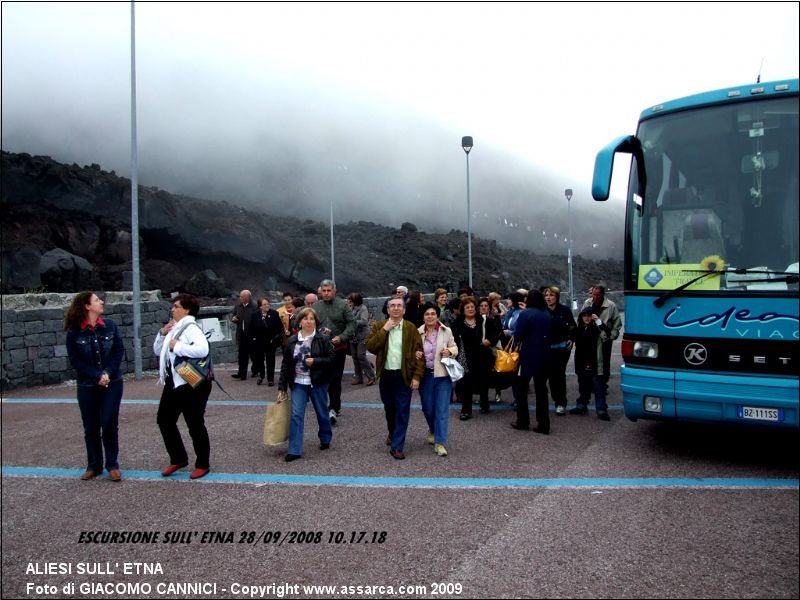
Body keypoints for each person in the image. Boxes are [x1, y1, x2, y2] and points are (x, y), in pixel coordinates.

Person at [64, 291, 125, 481]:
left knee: (108, 423)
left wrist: (107, 373)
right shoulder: (74, 332)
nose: (101, 302)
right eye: (97, 300)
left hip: (112, 383)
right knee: (90, 426)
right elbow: (76, 361)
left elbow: (118, 351)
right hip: (87, 385)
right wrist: (97, 375)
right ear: (87, 306)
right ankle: (94, 464)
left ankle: (112, 464)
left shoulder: (110, 326)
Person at [154, 293, 213, 479]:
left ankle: (203, 464)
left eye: (176, 306)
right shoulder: (175, 327)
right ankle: (178, 458)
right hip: (175, 380)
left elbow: (203, 349)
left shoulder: (190, 326)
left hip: (192, 382)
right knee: (164, 419)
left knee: (194, 423)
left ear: (186, 310)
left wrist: (177, 345)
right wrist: (162, 334)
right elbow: (159, 351)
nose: (172, 309)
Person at [366, 296, 424, 459]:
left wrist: (417, 377)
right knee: (390, 409)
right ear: (388, 309)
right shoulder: (379, 326)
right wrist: (385, 329)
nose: (396, 308)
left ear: (404, 310)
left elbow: (420, 354)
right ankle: (392, 432)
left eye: (399, 305)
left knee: (402, 411)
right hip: (385, 375)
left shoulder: (411, 328)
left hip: (403, 375)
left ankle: (397, 446)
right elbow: (371, 346)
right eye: (393, 306)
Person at [278, 307, 336, 461]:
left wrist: (316, 361)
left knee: (322, 413)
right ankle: (294, 450)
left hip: (318, 383)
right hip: (298, 383)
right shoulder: (292, 341)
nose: (308, 322)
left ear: (316, 322)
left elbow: (332, 359)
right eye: (305, 318)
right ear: (300, 322)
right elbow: (285, 365)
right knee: (296, 415)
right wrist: (282, 386)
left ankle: (325, 437)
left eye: (311, 319)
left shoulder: (322, 339)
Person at [416, 302, 458, 457]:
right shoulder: (417, 332)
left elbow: (455, 347)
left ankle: (440, 442)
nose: (430, 316)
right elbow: (412, 349)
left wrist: (449, 351)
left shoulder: (446, 331)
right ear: (423, 317)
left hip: (443, 376)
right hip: (425, 376)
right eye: (427, 314)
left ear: (437, 316)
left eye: (433, 314)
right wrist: (415, 353)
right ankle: (433, 430)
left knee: (441, 410)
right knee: (428, 408)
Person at [510, 290, 553, 434]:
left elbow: (518, 334)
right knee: (541, 390)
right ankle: (543, 424)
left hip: (527, 355)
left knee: (520, 388)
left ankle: (523, 420)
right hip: (545, 354)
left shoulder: (526, 314)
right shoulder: (547, 314)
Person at [313, 280, 355, 425]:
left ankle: (334, 408)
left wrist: (342, 337)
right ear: (320, 291)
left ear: (334, 291)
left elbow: (352, 324)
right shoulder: (316, 306)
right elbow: (311, 323)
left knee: (335, 379)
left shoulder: (343, 305)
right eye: (323, 290)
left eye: (328, 290)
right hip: (321, 349)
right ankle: (322, 406)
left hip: (338, 348)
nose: (326, 293)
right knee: (320, 378)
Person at [450, 296, 488, 420]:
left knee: (483, 380)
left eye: (472, 307)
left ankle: (485, 404)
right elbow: (452, 339)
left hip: (481, 355)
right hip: (464, 356)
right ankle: (466, 410)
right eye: (467, 307)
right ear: (463, 309)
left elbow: (494, 332)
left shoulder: (482, 320)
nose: (470, 309)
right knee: (466, 384)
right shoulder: (458, 322)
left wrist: (490, 340)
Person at [570, 308, 611, 421]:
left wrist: (598, 321)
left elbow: (607, 334)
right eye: (584, 316)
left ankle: (601, 409)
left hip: (595, 361)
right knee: (583, 385)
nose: (587, 318)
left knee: (598, 387)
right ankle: (582, 405)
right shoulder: (580, 329)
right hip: (581, 361)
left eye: (589, 316)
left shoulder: (596, 328)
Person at [544, 286, 577, 416]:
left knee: (560, 374)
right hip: (547, 348)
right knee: (551, 375)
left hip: (562, 348)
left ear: (556, 297)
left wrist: (572, 338)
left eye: (551, 295)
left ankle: (561, 402)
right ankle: (556, 399)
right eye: (546, 295)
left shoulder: (564, 310)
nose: (548, 297)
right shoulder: (542, 311)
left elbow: (573, 325)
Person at [582, 285, 622, 389]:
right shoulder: (587, 303)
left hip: (605, 339)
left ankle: (603, 384)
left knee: (604, 361)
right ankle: (591, 383)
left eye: (598, 295)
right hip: (590, 338)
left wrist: (611, 337)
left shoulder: (611, 306)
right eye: (593, 294)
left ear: (603, 295)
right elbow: (582, 319)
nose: (595, 297)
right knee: (589, 360)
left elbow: (617, 324)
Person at [250, 297, 283, 386]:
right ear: (260, 306)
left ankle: (270, 379)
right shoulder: (255, 315)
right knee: (259, 360)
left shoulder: (274, 314)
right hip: (259, 342)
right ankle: (261, 375)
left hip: (271, 342)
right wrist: (254, 339)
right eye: (264, 304)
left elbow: (280, 327)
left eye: (268, 304)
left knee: (270, 360)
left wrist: (275, 338)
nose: (267, 306)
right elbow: (251, 328)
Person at [477, 296, 502, 411]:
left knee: (487, 377)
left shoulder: (493, 319)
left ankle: (485, 402)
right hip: (477, 351)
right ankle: (482, 400)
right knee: (479, 377)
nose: (483, 307)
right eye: (481, 306)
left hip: (488, 351)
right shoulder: (475, 319)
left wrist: (490, 340)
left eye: (486, 306)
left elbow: (497, 334)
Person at [347, 292, 376, 386]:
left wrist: (352, 321)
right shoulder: (350, 308)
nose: (349, 302)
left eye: (351, 300)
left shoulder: (363, 308)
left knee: (361, 356)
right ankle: (359, 378)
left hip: (362, 335)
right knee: (355, 357)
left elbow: (364, 321)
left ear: (355, 301)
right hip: (353, 336)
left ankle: (371, 376)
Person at [232, 289, 258, 380]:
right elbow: (234, 316)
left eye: (243, 296)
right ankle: (241, 374)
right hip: (241, 334)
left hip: (251, 335)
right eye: (240, 296)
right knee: (242, 355)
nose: (241, 298)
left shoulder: (254, 306)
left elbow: (257, 320)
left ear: (248, 297)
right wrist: (234, 319)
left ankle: (255, 370)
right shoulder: (238, 306)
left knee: (253, 354)